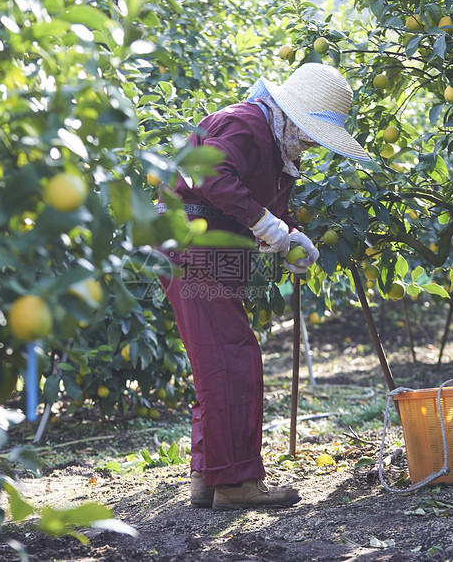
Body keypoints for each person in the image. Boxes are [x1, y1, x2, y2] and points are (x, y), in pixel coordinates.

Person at [157, 63, 370, 510]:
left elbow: (268, 207)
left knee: (220, 359)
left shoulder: (274, 146)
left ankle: (210, 477)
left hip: (214, 250)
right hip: (196, 245)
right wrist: (262, 222)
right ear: (292, 114)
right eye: (312, 131)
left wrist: (291, 235)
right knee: (232, 359)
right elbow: (209, 177)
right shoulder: (245, 122)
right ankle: (235, 483)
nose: (313, 142)